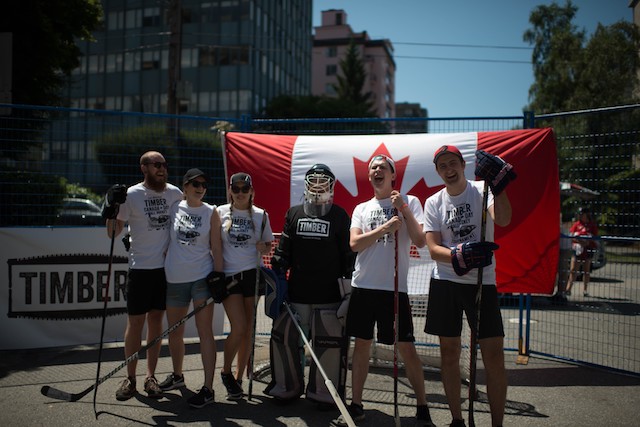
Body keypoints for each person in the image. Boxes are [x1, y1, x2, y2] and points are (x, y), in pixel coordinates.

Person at [333, 154, 435, 427]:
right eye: (372, 168)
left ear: (393, 176)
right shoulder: (361, 208)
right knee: (362, 345)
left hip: (393, 288)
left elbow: (419, 241)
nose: (377, 171)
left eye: (382, 168)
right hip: (364, 286)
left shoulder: (409, 202)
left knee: (406, 347)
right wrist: (384, 228)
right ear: (369, 176)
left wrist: (403, 209)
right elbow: (355, 244)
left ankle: (422, 406)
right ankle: (356, 405)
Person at [423, 146, 514, 427]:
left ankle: (497, 424)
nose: (449, 170)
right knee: (449, 352)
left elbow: (504, 219)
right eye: (443, 166)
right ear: (438, 171)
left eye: (453, 164)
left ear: (463, 165)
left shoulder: (481, 189)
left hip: (482, 282)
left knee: (493, 357)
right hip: (446, 282)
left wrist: (500, 189)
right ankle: (457, 420)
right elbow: (432, 246)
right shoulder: (434, 201)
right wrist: (456, 255)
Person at [269, 163, 354, 408]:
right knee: (286, 340)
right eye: (313, 180)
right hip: (297, 294)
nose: (318, 185)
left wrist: (348, 292)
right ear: (306, 184)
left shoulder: (339, 215)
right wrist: (277, 265)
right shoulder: (293, 213)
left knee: (327, 347)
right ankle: (287, 387)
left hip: (329, 297)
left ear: (331, 185)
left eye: (323, 180)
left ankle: (323, 393)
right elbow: (284, 251)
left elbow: (348, 257)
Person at [102, 151, 183, 401]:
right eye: (156, 165)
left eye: (164, 165)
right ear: (143, 168)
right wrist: (110, 205)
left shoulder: (175, 193)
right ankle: (131, 378)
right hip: (139, 269)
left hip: (165, 270)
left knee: (156, 322)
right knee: (135, 323)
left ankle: (150, 376)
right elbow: (113, 233)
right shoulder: (132, 195)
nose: (162, 169)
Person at [159, 168, 225, 408]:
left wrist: (219, 277)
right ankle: (177, 376)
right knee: (174, 331)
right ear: (185, 187)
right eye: (195, 184)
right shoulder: (174, 207)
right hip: (175, 279)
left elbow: (216, 247)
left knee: (205, 332)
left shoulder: (211, 212)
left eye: (203, 184)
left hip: (201, 278)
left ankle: (208, 388)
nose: (200, 188)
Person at [217, 172, 274, 400]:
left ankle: (239, 379)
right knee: (238, 327)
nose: (240, 193)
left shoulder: (261, 215)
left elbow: (268, 244)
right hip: (230, 277)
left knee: (248, 329)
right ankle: (225, 371)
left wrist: (264, 247)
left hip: (252, 275)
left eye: (245, 189)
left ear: (251, 191)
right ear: (230, 190)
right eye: (236, 189)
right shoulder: (219, 212)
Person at [565, 207, 599, 297]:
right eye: (579, 214)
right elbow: (571, 235)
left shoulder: (591, 225)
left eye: (582, 214)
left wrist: (587, 242)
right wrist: (579, 241)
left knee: (586, 270)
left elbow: (595, 237)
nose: (580, 215)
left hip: (587, 250)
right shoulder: (576, 224)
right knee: (573, 270)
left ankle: (585, 290)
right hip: (577, 249)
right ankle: (568, 289)